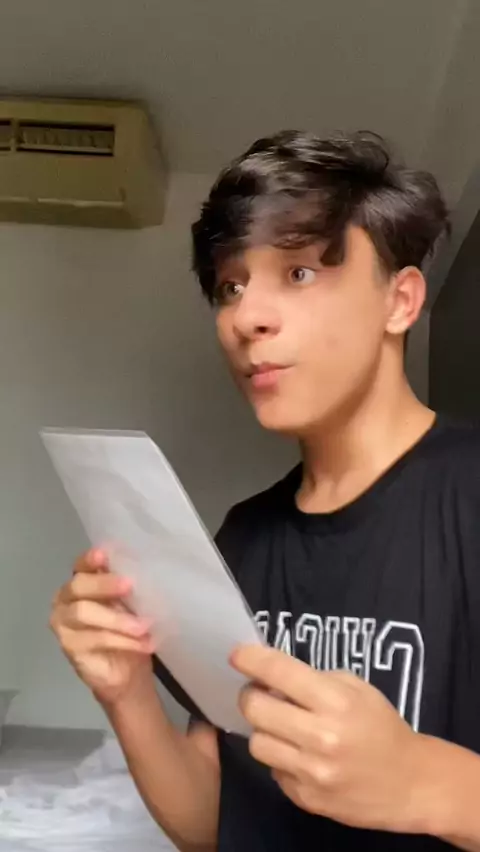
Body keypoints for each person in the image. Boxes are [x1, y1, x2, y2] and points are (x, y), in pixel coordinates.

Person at [50, 130, 480, 852]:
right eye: (231, 286)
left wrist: (427, 783)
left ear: (401, 301)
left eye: (300, 271)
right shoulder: (243, 539)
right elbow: (211, 824)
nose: (247, 318)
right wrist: (125, 693)